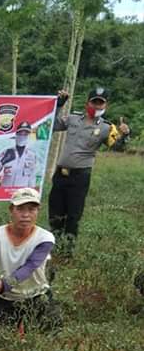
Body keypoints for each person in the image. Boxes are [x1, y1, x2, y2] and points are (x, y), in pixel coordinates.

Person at [48, 86, 130, 254]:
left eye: (101, 103)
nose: (97, 106)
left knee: (73, 216)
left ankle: (67, 252)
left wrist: (125, 135)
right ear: (88, 103)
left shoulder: (107, 128)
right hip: (61, 174)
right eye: (95, 102)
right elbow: (53, 125)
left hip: (80, 177)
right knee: (55, 213)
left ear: (106, 106)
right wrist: (58, 105)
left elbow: (117, 148)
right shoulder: (73, 119)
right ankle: (52, 249)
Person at [0, 187, 59, 328]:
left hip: (36, 296)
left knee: (45, 335)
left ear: (38, 212)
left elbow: (30, 266)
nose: (26, 215)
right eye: (20, 209)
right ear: (11, 210)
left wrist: (4, 284)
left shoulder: (45, 238)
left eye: (31, 209)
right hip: (5, 298)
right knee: (1, 337)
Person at [0, 121, 36, 188]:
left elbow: (32, 178)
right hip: (5, 193)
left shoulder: (32, 155)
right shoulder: (6, 152)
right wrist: (2, 161)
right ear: (16, 134)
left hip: (21, 194)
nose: (22, 136)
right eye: (20, 133)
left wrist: (31, 194)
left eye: (25, 134)